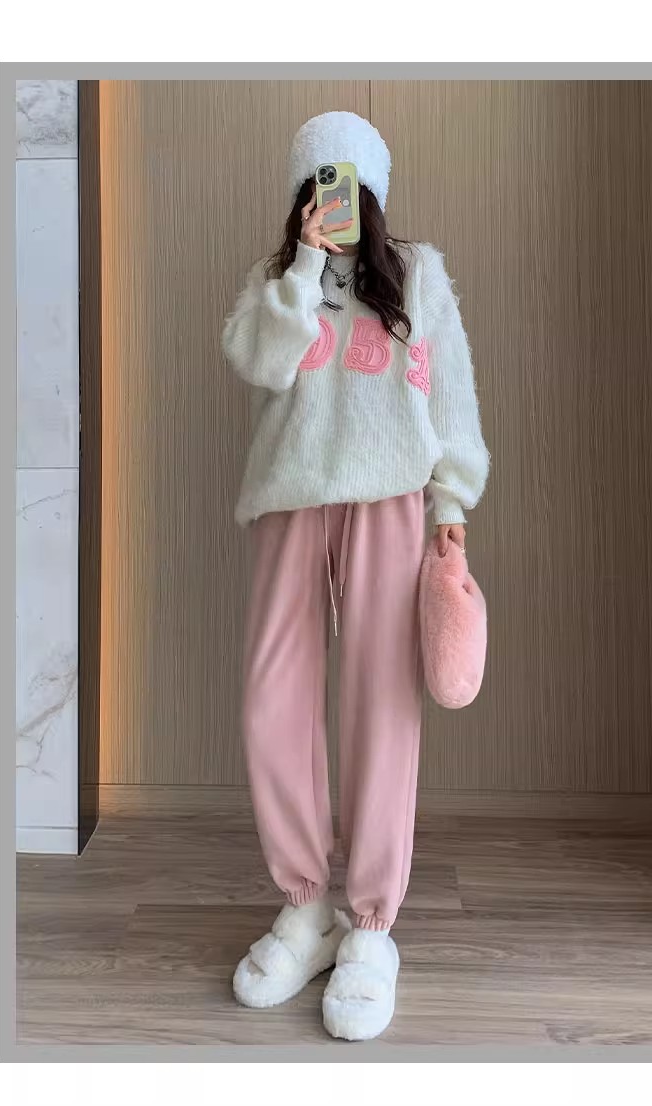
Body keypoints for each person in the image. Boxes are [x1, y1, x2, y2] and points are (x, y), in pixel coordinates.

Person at [221, 110, 490, 1040]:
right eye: (315, 183)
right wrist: (303, 265)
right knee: (274, 702)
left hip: (390, 501)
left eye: (344, 184)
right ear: (302, 193)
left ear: (370, 191)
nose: (330, 199)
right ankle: (306, 909)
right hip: (291, 498)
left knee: (382, 704)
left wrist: (451, 509)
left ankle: (371, 928)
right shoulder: (276, 281)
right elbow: (258, 364)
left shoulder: (417, 275)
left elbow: (452, 397)